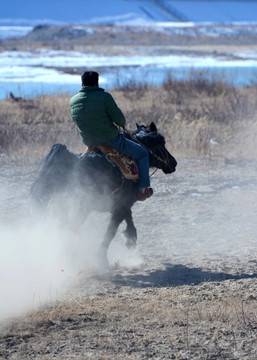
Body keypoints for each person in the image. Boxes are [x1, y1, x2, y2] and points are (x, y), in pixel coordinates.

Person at [69, 70, 153, 201]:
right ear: (97, 83)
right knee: (142, 153)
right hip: (111, 141)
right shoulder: (104, 97)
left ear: (82, 84)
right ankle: (142, 190)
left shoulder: (73, 101)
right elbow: (120, 121)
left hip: (90, 144)